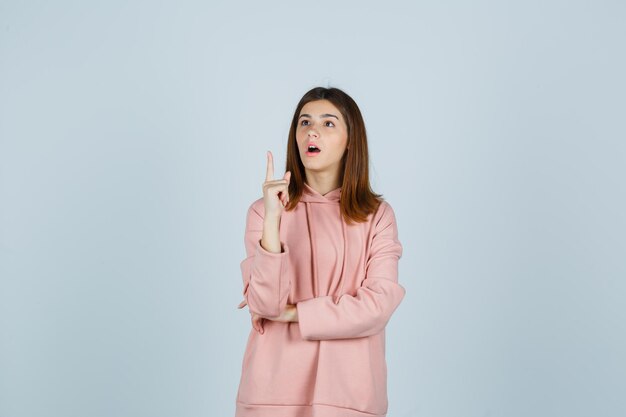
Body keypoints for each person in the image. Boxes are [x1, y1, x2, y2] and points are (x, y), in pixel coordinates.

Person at [235, 86, 406, 417]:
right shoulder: (263, 211)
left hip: (350, 396)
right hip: (270, 396)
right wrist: (273, 221)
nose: (312, 131)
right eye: (304, 122)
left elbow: (378, 305)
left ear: (350, 141)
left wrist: (295, 314)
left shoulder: (376, 216)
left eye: (328, 123)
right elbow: (265, 304)